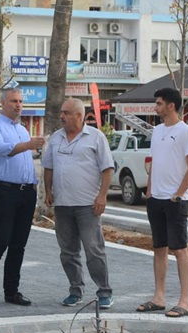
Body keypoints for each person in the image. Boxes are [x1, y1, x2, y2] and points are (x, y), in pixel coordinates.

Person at [0, 88, 45, 309]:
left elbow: (25, 155)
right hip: (5, 192)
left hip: (26, 193)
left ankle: (11, 291)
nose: (18, 105)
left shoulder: (23, 130)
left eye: (21, 101)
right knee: (0, 242)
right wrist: (29, 145)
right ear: (3, 103)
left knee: (18, 245)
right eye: (14, 101)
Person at [43, 98, 115, 309]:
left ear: (79, 116)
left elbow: (107, 168)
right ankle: (75, 290)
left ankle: (104, 291)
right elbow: (48, 167)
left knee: (94, 250)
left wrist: (102, 196)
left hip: (88, 205)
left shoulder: (95, 137)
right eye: (61, 113)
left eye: (66, 113)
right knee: (68, 251)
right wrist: (48, 191)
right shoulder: (56, 138)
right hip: (63, 205)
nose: (62, 116)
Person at [136, 87, 188, 318]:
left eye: (159, 103)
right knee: (158, 249)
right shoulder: (158, 131)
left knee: (180, 249)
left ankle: (184, 301)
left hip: (175, 201)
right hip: (156, 199)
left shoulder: (186, 132)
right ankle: (159, 297)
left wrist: (178, 194)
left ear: (171, 105)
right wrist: (150, 191)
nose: (156, 107)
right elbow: (155, 164)